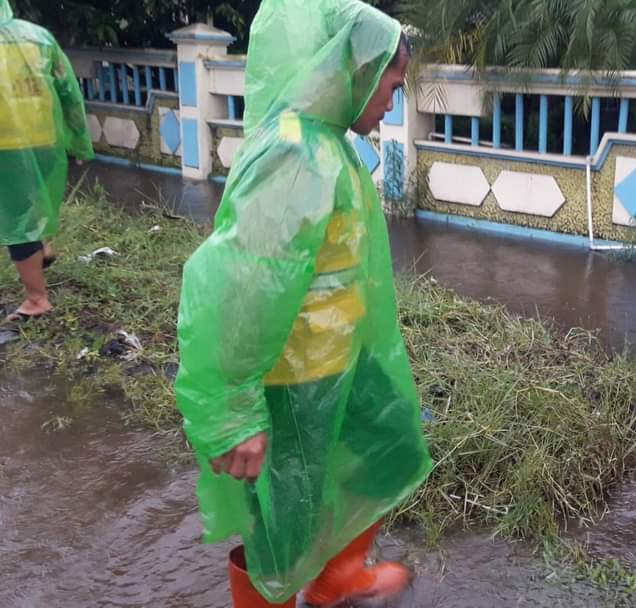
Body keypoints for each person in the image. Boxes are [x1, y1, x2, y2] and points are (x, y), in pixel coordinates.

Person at [174, 1, 432, 606]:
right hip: (293, 382)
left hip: (337, 360)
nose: (393, 101)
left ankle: (339, 573)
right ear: (357, 70)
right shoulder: (294, 155)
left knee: (387, 441)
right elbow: (246, 285)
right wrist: (237, 411)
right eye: (391, 84)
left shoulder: (326, 144)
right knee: (280, 526)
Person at [0, 0, 93, 324]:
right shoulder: (38, 37)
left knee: (16, 225)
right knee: (31, 206)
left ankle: (37, 299)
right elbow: (69, 92)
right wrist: (80, 143)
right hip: (45, 142)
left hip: (6, 149)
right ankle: (42, 246)